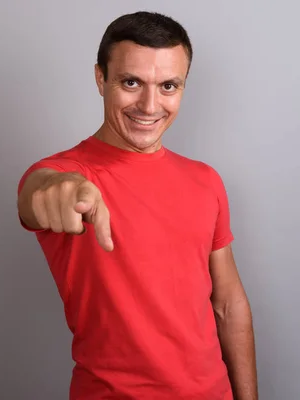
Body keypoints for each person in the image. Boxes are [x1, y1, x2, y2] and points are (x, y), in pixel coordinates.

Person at [16, 11, 258, 400]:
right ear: (101, 78)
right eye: (131, 82)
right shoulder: (65, 172)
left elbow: (228, 303)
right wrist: (60, 188)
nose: (149, 104)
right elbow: (38, 192)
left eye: (168, 86)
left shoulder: (206, 180)